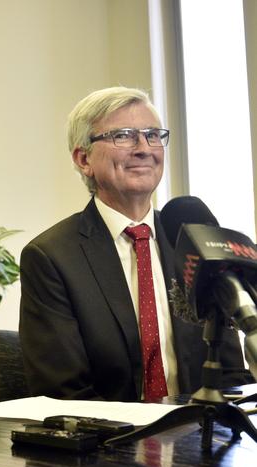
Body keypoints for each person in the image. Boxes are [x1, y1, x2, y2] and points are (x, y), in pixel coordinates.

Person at [19, 86, 252, 402]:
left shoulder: (192, 245)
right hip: (111, 445)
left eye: (153, 135)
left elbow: (231, 376)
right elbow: (64, 394)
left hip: (202, 439)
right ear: (83, 158)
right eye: (124, 136)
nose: (144, 148)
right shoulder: (51, 257)